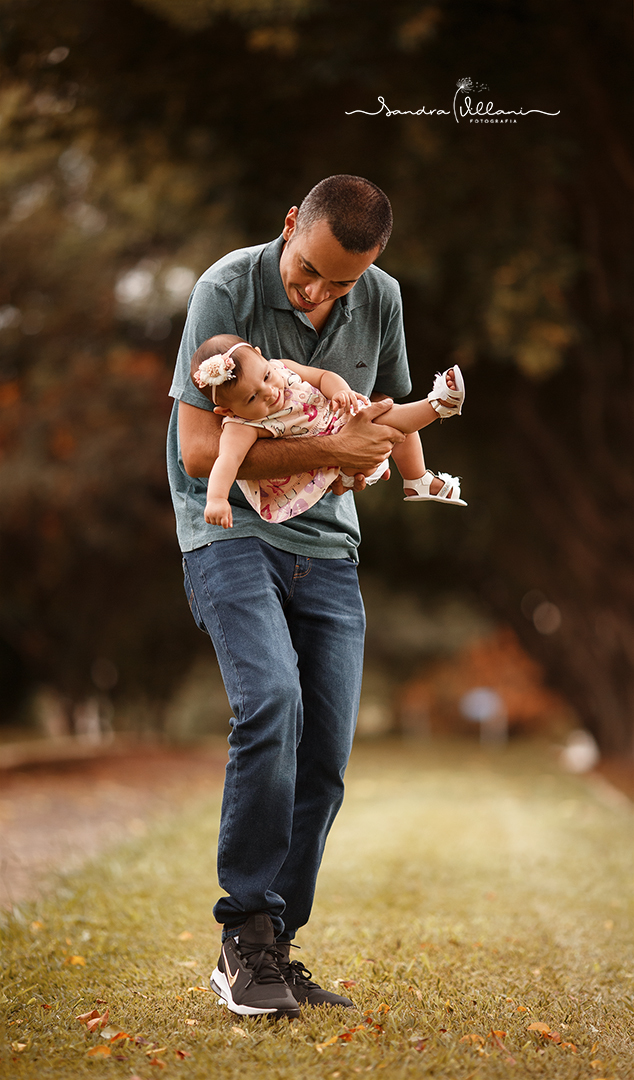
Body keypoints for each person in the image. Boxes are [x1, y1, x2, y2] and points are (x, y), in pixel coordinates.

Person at [167, 175, 441, 1018]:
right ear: (290, 225)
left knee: (324, 748)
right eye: (309, 272)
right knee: (272, 700)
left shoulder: (381, 299)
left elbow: (386, 416)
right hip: (229, 531)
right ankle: (241, 935)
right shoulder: (228, 288)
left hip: (328, 543)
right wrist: (340, 447)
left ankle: (275, 954)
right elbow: (196, 450)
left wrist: (389, 450)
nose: (320, 294)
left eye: (343, 284)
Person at [189, 334, 466, 528]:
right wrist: (216, 499)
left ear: (263, 358)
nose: (270, 392)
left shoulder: (281, 368)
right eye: (252, 398)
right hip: (323, 467)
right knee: (387, 420)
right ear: (228, 411)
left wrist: (341, 392)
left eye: (266, 377)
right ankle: (438, 405)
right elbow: (227, 461)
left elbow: (322, 377)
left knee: (385, 414)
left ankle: (418, 480)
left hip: (342, 425)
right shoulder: (240, 426)